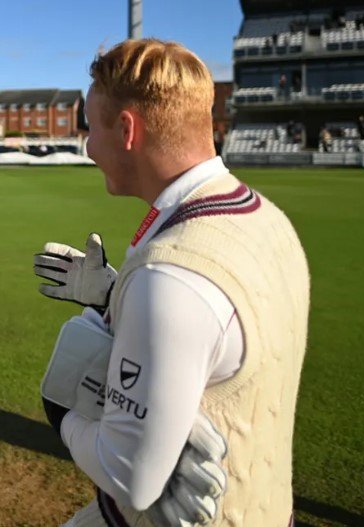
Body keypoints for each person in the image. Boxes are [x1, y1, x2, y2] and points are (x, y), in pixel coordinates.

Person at [36, 39, 309, 526]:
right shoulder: (270, 218)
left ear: (126, 130)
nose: (87, 146)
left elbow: (130, 477)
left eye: (91, 128)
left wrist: (63, 415)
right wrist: (112, 298)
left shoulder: (169, 277)